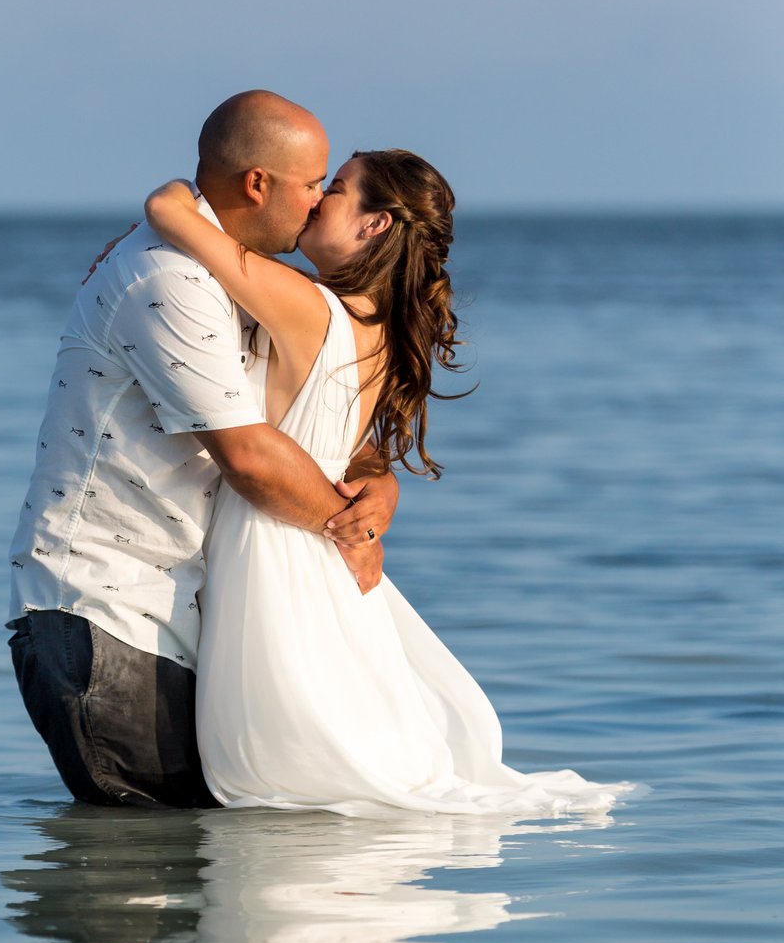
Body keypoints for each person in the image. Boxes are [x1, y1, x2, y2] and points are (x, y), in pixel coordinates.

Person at [144, 152, 631, 816]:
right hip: (330, 555)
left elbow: (167, 214)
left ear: (374, 225)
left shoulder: (305, 305)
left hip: (276, 546)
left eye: (334, 190)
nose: (315, 202)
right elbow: (356, 449)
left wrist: (187, 188)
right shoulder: (383, 324)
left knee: (276, 769)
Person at [7, 91, 398, 809]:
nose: (317, 204)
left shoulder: (235, 277)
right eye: (313, 185)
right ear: (258, 183)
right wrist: (351, 529)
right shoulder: (170, 280)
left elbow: (322, 424)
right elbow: (249, 457)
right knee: (134, 889)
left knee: (193, 889)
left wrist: (376, 484)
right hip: (109, 614)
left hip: (180, 621)